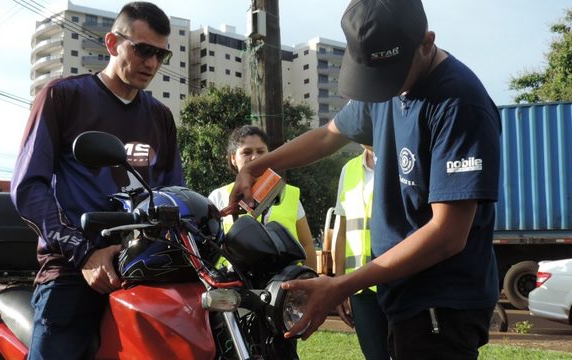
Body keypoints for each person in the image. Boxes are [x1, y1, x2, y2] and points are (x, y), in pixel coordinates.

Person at [229, 0, 501, 358]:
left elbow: (447, 234)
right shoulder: (385, 81)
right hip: (396, 290)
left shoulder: (460, 105)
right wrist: (262, 165)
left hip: (440, 303)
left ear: (426, 42)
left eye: (389, 77)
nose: (380, 89)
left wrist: (342, 285)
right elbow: (329, 134)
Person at [10, 2, 184, 359]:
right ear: (111, 42)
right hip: (74, 267)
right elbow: (29, 187)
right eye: (143, 49)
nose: (151, 63)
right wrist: (84, 253)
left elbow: (171, 194)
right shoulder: (64, 96)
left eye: (160, 55)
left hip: (142, 265)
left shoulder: (160, 117)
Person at [208, 125, 317, 270]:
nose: (255, 157)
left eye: (261, 151)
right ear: (233, 159)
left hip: (284, 286)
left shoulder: (288, 194)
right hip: (235, 285)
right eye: (247, 152)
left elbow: (307, 244)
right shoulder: (218, 197)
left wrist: (308, 282)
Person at [333, 145, 389, 360]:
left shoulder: (402, 161)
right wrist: (339, 284)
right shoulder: (349, 169)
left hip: (399, 280)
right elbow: (342, 230)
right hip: (361, 287)